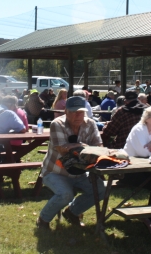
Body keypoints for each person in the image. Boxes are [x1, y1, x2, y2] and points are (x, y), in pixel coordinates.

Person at [37, 96, 105, 229]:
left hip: (81, 172)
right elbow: (64, 152)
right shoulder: (57, 124)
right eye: (75, 112)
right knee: (65, 194)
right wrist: (87, 148)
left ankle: (72, 212)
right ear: (66, 111)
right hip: (55, 172)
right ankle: (43, 219)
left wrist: (78, 145)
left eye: (81, 111)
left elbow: (99, 148)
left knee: (101, 190)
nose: (79, 115)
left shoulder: (90, 124)